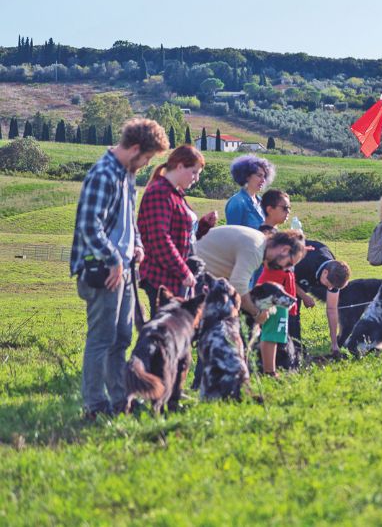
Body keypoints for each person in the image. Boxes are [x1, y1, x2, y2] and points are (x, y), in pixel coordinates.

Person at [71, 118, 170, 418]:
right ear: (136, 149)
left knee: (122, 338)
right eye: (148, 158)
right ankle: (94, 405)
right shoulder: (103, 174)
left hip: (124, 268)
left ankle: (118, 400)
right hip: (102, 269)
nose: (146, 164)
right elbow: (90, 226)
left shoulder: (127, 173)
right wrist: (114, 258)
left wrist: (137, 244)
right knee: (101, 339)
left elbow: (127, 221)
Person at [137, 144, 211, 311]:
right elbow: (160, 239)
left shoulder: (174, 194)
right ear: (179, 166)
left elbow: (182, 238)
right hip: (163, 279)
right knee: (166, 334)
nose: (196, 178)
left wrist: (204, 225)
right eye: (194, 172)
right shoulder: (160, 193)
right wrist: (184, 271)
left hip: (176, 279)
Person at [195, 225, 304, 320]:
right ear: (285, 250)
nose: (284, 269)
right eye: (289, 263)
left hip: (198, 274)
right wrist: (256, 313)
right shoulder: (255, 249)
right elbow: (238, 286)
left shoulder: (259, 243)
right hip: (193, 275)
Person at [255, 235, 307, 376]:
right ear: (284, 251)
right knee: (271, 337)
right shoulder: (273, 269)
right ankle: (269, 371)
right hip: (274, 305)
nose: (289, 267)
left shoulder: (281, 264)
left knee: (278, 339)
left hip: (282, 306)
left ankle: (273, 368)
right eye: (290, 263)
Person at [295, 239, 351, 360]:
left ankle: (296, 349)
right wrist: (304, 296)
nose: (330, 288)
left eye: (333, 287)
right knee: (292, 316)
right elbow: (285, 276)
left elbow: (331, 309)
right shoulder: (306, 262)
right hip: (288, 272)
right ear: (325, 272)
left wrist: (334, 343)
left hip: (309, 277)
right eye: (329, 284)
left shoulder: (335, 274)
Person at [224, 155, 274, 229]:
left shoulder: (260, 201)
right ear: (247, 176)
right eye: (259, 175)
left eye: (264, 176)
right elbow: (232, 234)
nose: (263, 180)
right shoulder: (237, 202)